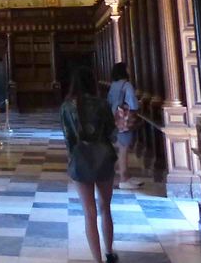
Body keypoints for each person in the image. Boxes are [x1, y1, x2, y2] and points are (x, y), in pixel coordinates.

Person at [61, 67, 118, 263]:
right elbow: (111, 132)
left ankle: (98, 260)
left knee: (89, 213)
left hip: (81, 160)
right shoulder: (102, 104)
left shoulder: (66, 107)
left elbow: (68, 138)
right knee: (106, 208)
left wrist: (72, 157)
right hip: (103, 158)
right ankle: (109, 252)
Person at [108, 62, 142, 190]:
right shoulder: (127, 85)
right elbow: (133, 104)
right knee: (124, 149)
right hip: (125, 120)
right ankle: (123, 178)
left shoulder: (113, 85)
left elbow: (109, 101)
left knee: (121, 147)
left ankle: (125, 175)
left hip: (115, 118)